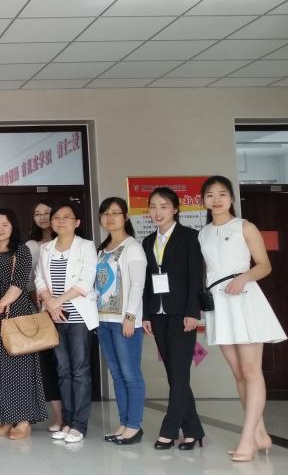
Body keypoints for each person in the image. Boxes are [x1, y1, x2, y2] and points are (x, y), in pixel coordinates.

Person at [199, 176, 285, 461]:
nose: (216, 199)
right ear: (203, 200)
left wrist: (243, 278)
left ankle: (247, 439)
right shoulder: (203, 233)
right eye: (210, 195)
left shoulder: (245, 227)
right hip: (219, 303)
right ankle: (259, 434)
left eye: (222, 194)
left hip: (244, 299)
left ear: (231, 198)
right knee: (238, 373)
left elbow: (264, 265)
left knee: (251, 372)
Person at [141, 187, 205, 451]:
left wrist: (193, 312)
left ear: (175, 209)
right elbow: (147, 282)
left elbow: (196, 277)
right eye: (153, 207)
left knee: (179, 374)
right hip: (158, 314)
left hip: (182, 314)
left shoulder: (189, 237)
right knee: (174, 374)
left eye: (164, 206)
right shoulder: (147, 241)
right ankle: (193, 430)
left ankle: (168, 431)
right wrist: (146, 315)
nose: (157, 212)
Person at [0, 208, 47, 440]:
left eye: (4, 224)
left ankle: (24, 421)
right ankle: (6, 419)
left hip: (15, 313)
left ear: (13, 227)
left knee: (19, 368)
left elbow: (19, 283)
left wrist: (0, 305)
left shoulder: (21, 250)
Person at [35, 204, 99, 444]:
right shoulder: (46, 248)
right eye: (57, 217)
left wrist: (57, 301)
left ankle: (79, 425)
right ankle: (68, 422)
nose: (60, 221)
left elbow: (86, 281)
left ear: (77, 222)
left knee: (79, 370)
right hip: (54, 317)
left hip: (78, 317)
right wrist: (50, 303)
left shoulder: (86, 246)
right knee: (62, 370)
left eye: (66, 217)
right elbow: (39, 279)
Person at [95, 197, 147, 446]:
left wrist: (130, 317)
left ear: (125, 217)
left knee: (130, 374)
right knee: (116, 375)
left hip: (124, 322)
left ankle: (134, 426)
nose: (110, 217)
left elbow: (137, 286)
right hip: (103, 320)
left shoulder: (132, 247)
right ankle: (124, 423)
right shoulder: (102, 249)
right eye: (105, 213)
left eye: (116, 213)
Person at [26, 200, 63, 432]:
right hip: (41, 312)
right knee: (47, 364)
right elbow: (30, 279)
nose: (42, 217)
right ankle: (58, 417)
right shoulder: (31, 245)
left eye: (46, 213)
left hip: (69, 310)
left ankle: (74, 416)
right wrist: (40, 299)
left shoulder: (73, 243)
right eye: (37, 213)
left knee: (68, 365)